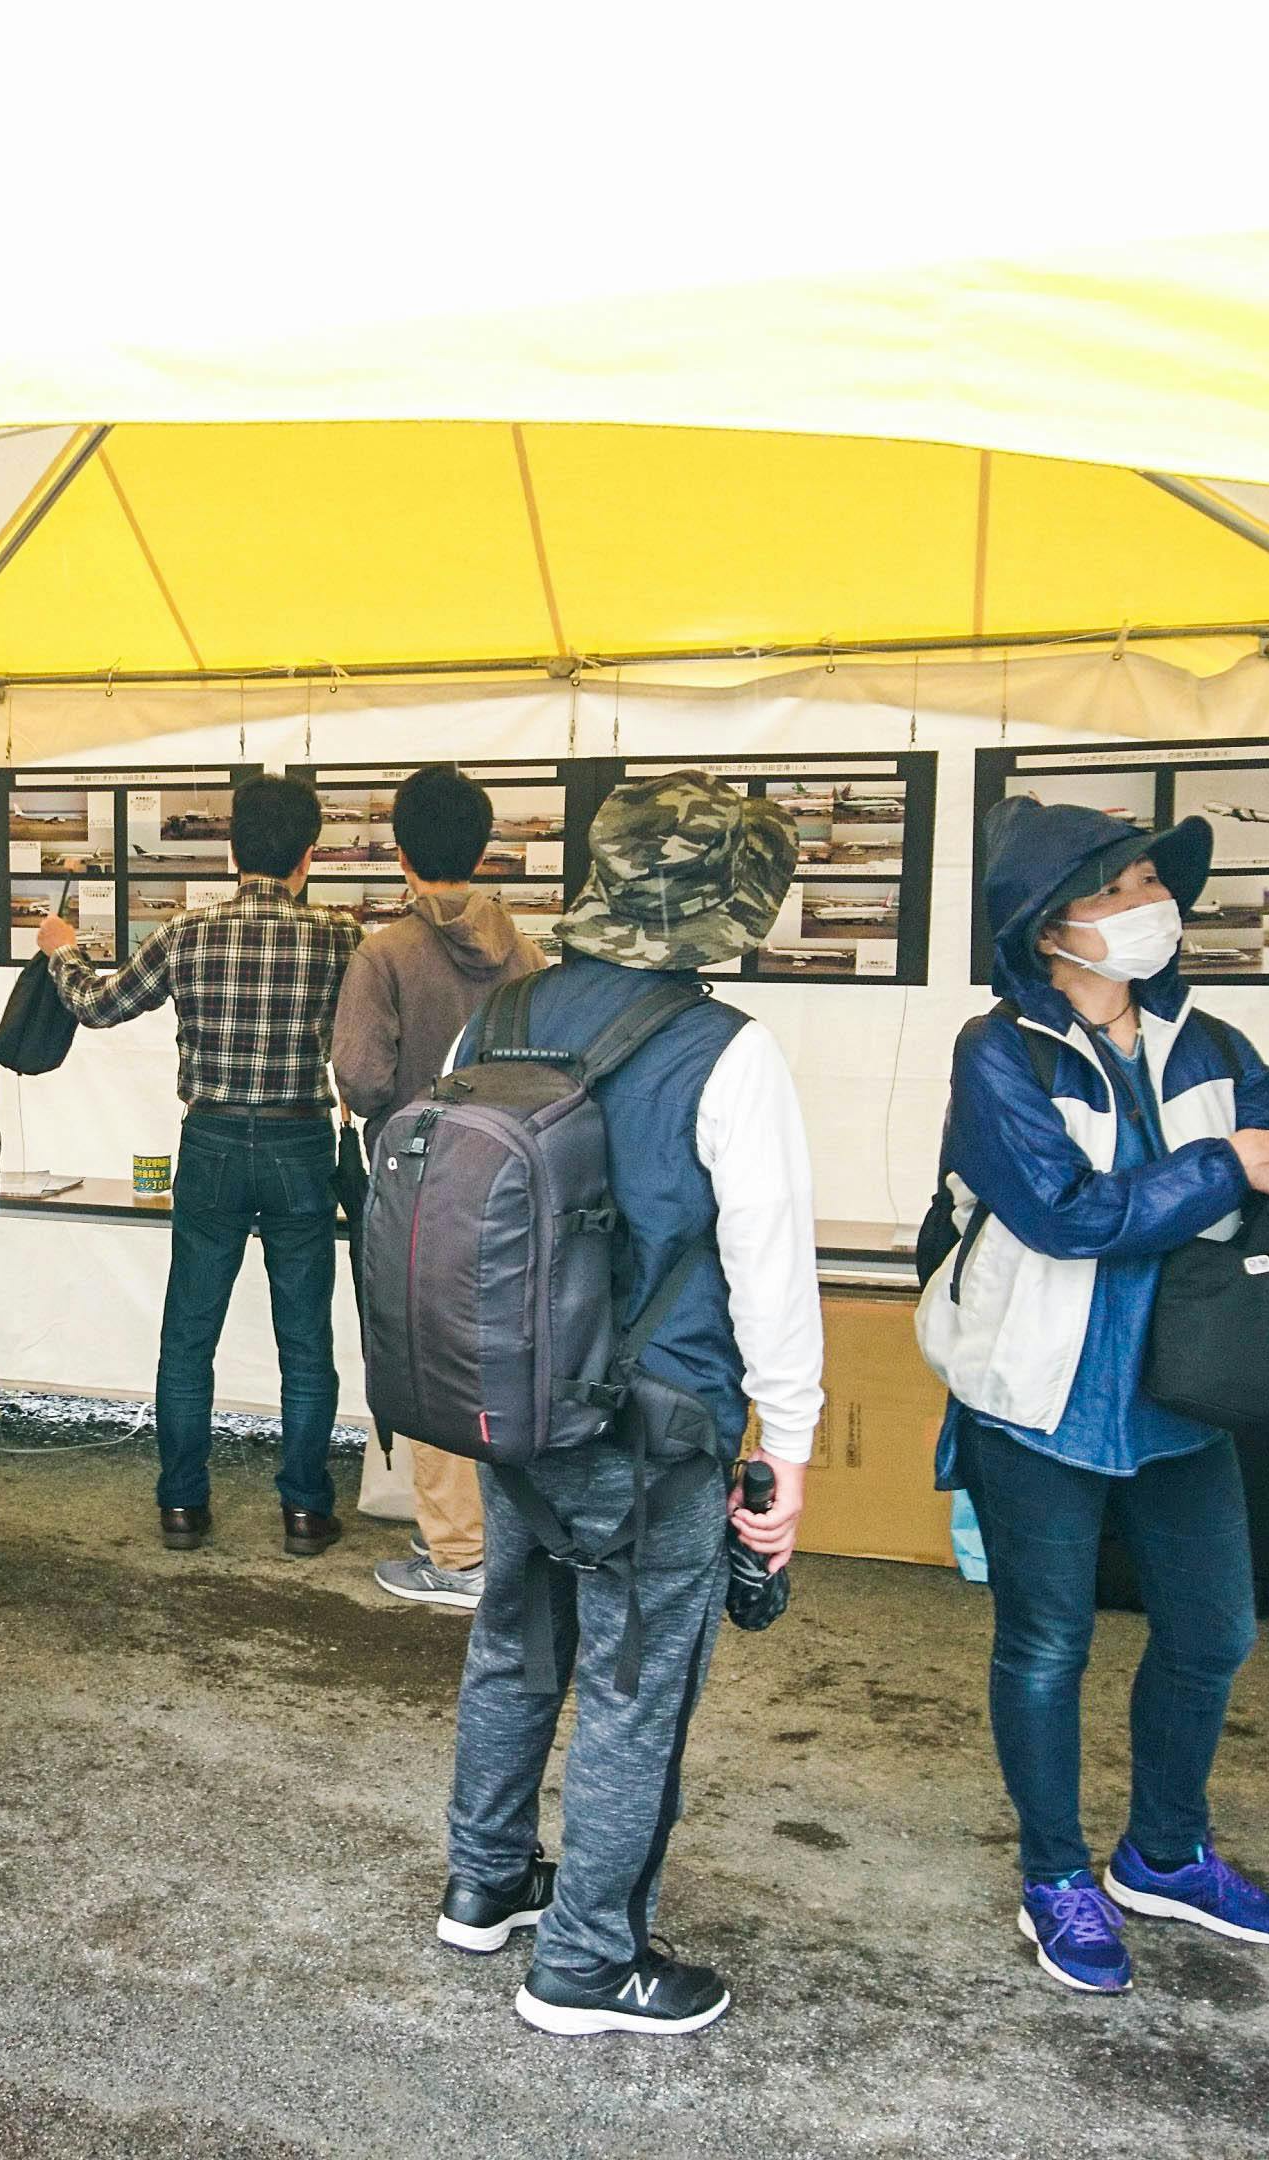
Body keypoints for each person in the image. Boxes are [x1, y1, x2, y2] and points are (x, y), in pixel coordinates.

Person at [922, 796, 1269, 1995]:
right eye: (1115, 889)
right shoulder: (998, 1051)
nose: (1148, 904)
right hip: (1038, 1392)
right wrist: (1224, 1165)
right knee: (1046, 1645)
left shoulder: (1215, 1044)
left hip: (1187, 1384)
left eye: (1153, 881)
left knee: (1214, 1633)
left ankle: (1163, 1854)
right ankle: (1055, 1877)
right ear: (1048, 926)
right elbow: (1066, 1215)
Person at [432, 772, 823, 2040]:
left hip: (512, 1403)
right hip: (658, 1430)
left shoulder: (496, 1018)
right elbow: (771, 1265)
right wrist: (791, 1444)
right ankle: (590, 1962)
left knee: (514, 1641)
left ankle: (486, 1881)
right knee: (634, 1682)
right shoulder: (725, 1049)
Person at [40, 773, 362, 1557]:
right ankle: (305, 1511)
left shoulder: (187, 932)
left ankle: (182, 1505)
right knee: (306, 1339)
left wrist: (62, 952)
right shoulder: (340, 935)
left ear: (231, 854)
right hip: (301, 1142)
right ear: (309, 856)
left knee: (189, 1334)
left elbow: (98, 1005)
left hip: (211, 1140)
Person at [331, 764, 543, 1612]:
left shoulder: (384, 954)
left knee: (431, 1362)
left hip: (417, 1190)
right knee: (505, 1354)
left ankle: (457, 1555)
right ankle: (505, 1539)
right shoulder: (528, 954)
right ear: (484, 849)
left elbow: (359, 1076)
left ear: (402, 854)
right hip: (517, 1187)